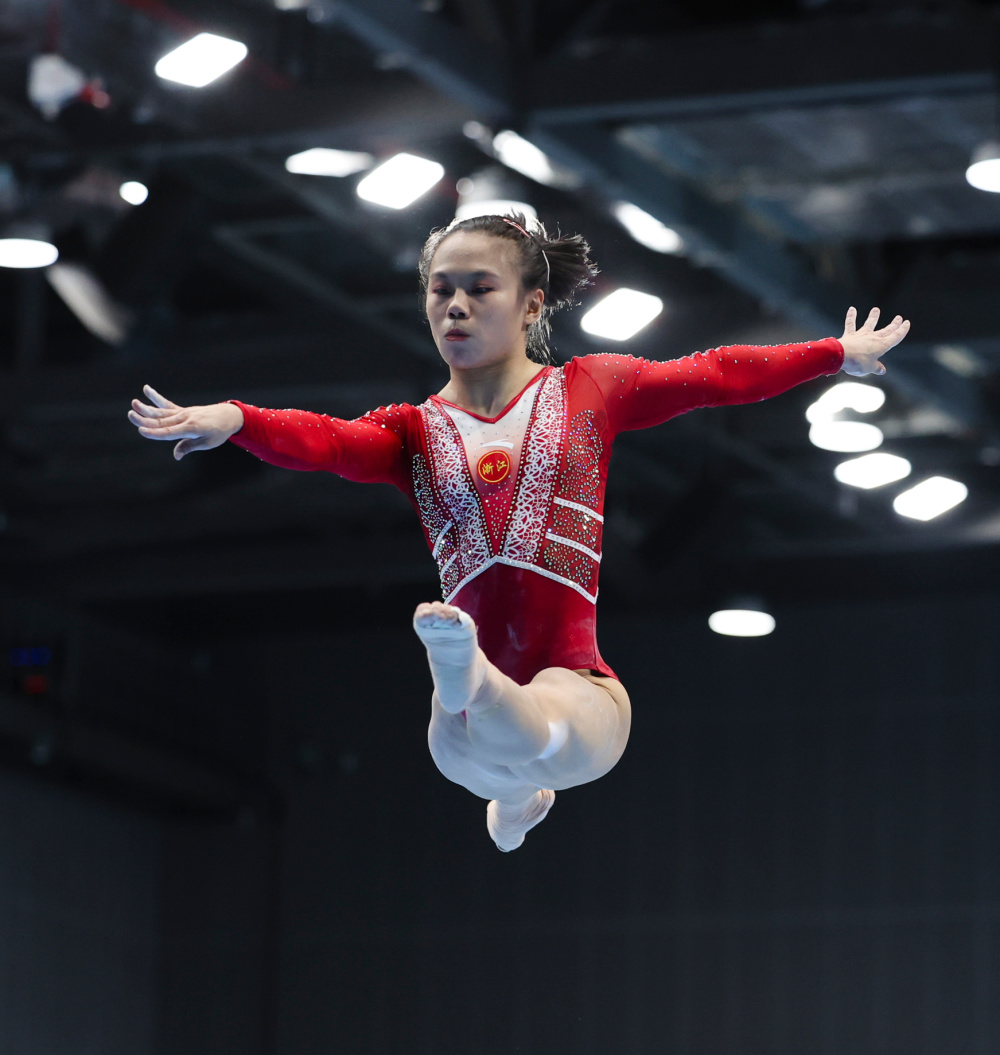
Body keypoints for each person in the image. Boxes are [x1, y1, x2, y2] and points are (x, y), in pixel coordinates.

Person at [128, 214, 909, 851]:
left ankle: (479, 709)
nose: (455, 307)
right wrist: (237, 418)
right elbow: (326, 441)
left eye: (479, 288)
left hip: (578, 685)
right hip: (489, 721)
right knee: (482, 748)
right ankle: (496, 760)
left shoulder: (590, 390)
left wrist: (834, 353)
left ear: (532, 305)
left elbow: (713, 374)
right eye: (440, 291)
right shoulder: (412, 431)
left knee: (529, 723)